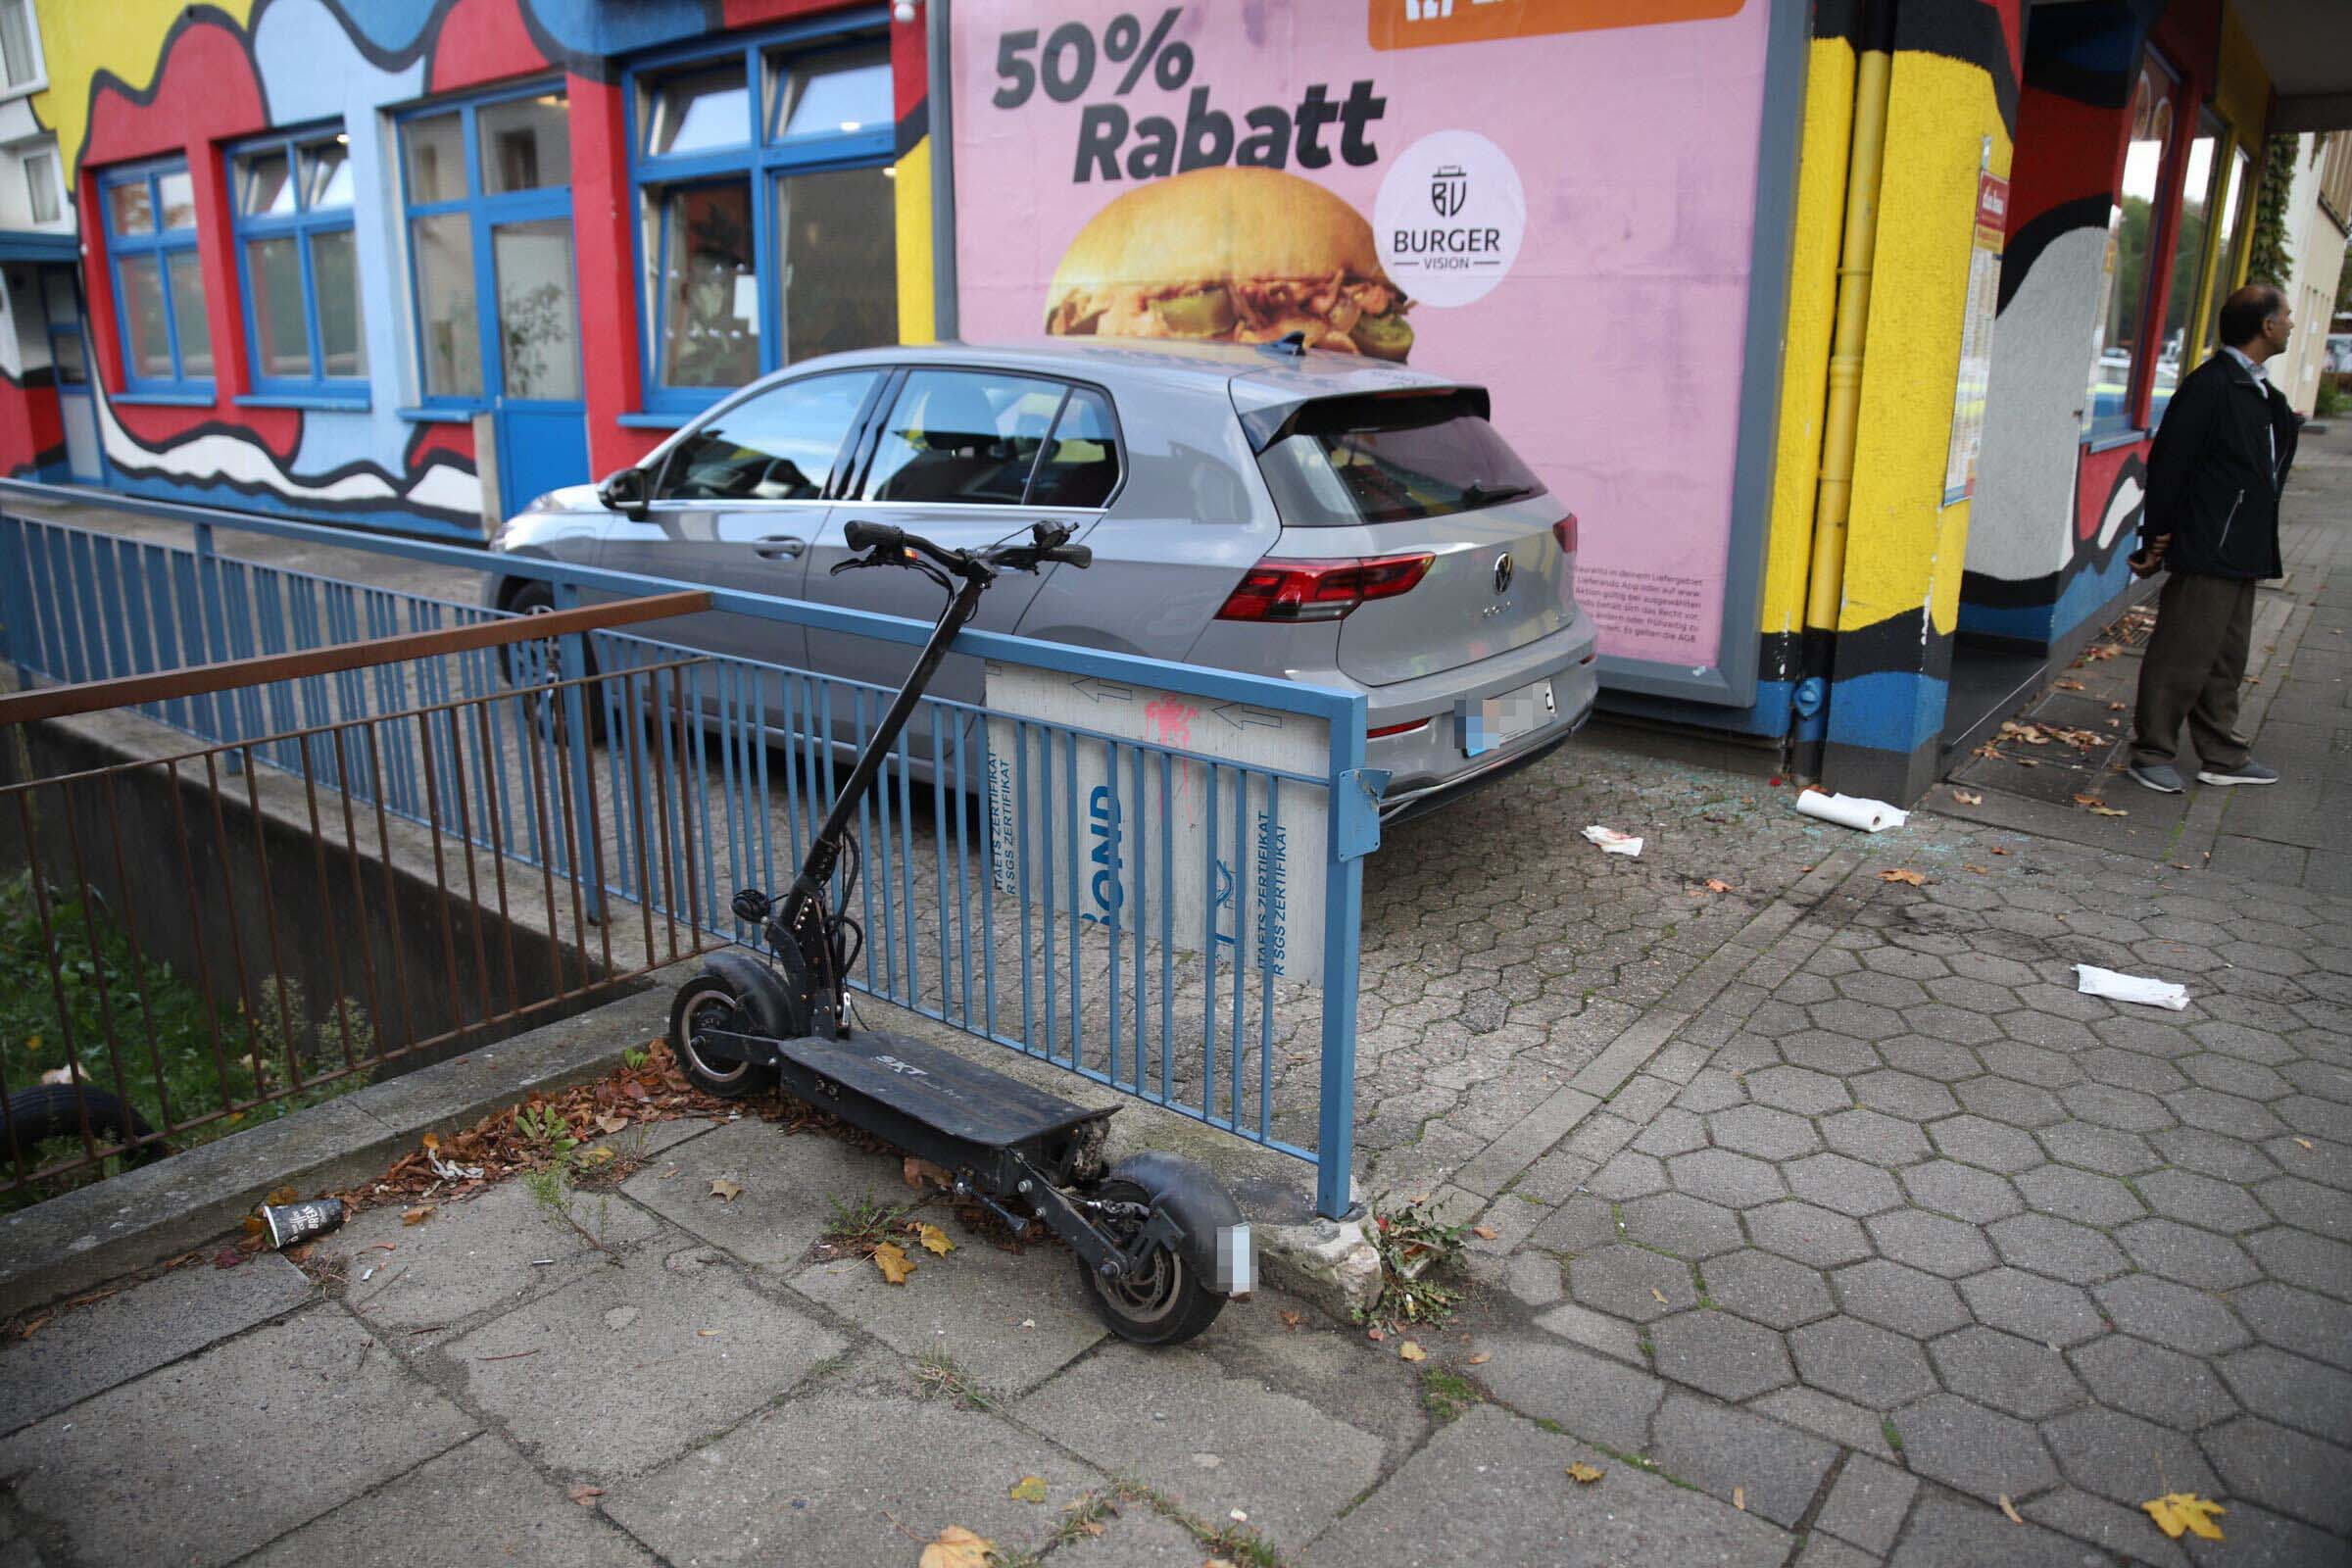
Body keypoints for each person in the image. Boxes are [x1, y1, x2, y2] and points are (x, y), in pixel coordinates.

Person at [2125, 283, 2299, 794]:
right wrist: (2156, 536)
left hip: (2242, 546)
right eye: (2286, 316)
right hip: (2209, 545)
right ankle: (2151, 751)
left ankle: (2220, 754)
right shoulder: (2212, 385)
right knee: (2182, 652)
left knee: (2226, 657)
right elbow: (2170, 466)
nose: (2291, 324)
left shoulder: (2260, 390)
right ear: (2265, 326)